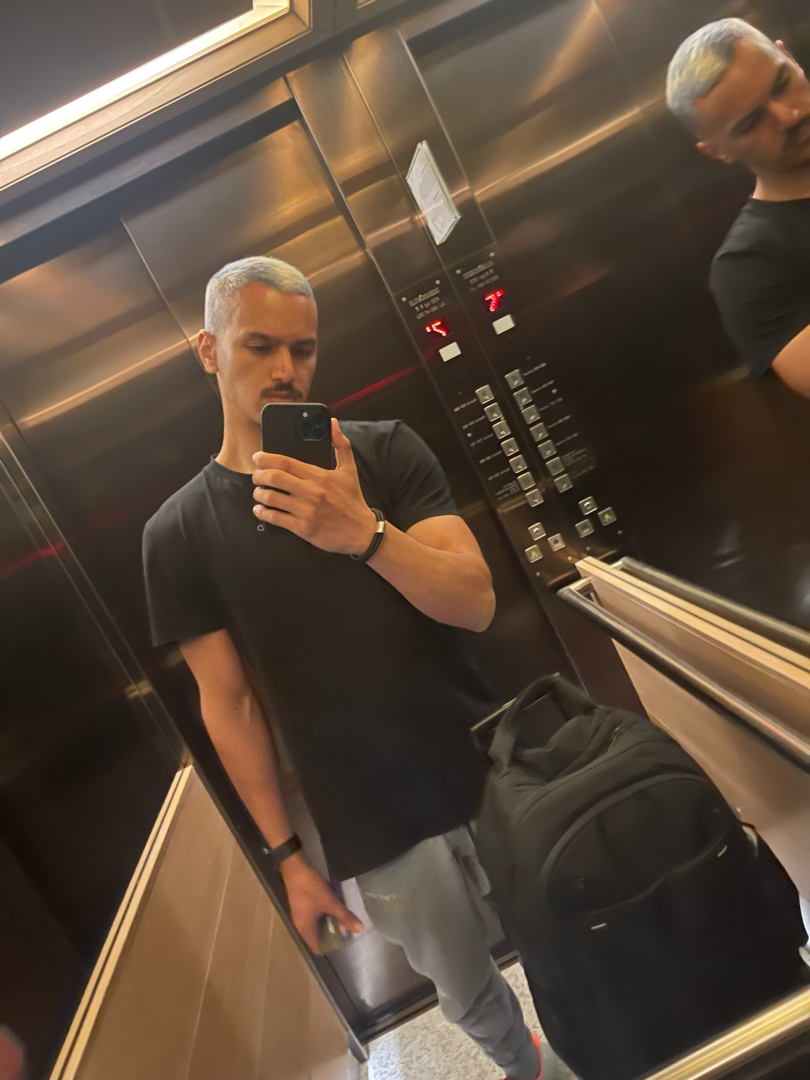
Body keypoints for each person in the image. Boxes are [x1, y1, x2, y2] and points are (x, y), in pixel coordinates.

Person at [143, 256, 570, 1079]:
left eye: (302, 348)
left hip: (490, 766)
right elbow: (229, 706)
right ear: (209, 350)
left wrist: (363, 533)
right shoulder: (178, 534)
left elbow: (475, 601)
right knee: (465, 989)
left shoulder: (385, 452)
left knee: (565, 936)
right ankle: (530, 1071)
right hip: (370, 818)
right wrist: (286, 858)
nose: (285, 369)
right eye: (259, 345)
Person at [666, 19, 810, 396]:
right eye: (751, 122)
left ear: (789, 57)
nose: (788, 116)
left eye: (782, 84)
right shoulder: (750, 267)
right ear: (718, 151)